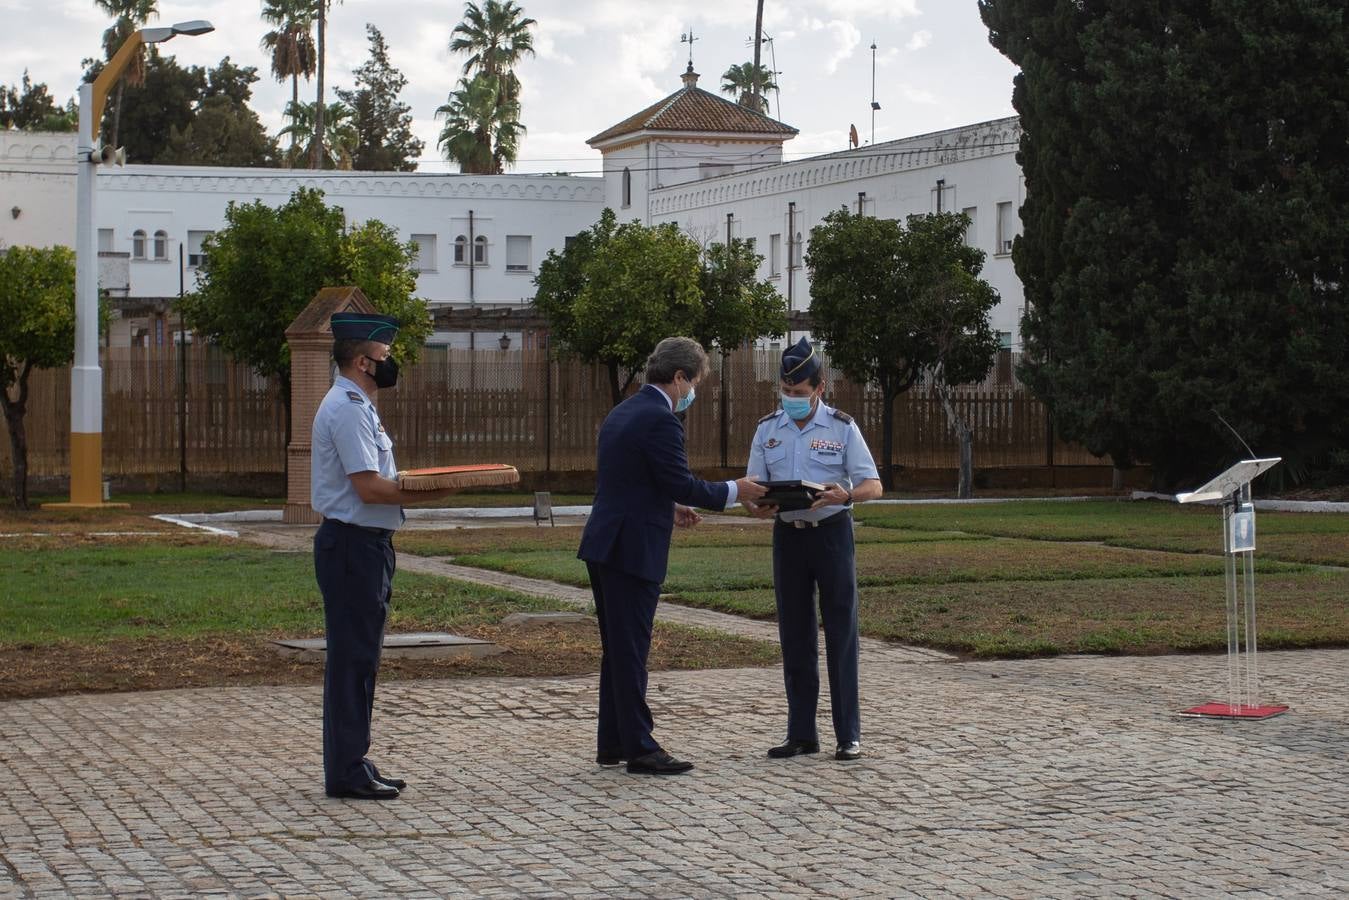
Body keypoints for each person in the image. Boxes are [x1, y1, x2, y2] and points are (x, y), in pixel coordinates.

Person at [578, 336, 768, 775]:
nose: (693, 393)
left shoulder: (623, 411)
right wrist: (735, 490)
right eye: (695, 382)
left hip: (606, 541)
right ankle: (641, 747)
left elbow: (633, 481)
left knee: (618, 648)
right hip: (631, 547)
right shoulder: (661, 420)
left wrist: (668, 506)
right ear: (680, 377)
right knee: (631, 649)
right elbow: (682, 481)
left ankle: (614, 741)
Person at [311, 312, 457, 800]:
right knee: (354, 660)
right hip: (353, 545)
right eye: (385, 358)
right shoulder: (348, 408)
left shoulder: (357, 404)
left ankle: (354, 758)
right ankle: (346, 770)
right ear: (361, 361)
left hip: (364, 544)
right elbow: (371, 488)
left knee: (361, 659)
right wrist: (432, 492)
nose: (391, 365)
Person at [743, 337, 883, 762]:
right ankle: (801, 733)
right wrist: (757, 506)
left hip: (831, 534)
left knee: (841, 633)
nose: (791, 400)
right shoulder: (768, 428)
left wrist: (846, 495)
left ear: (819, 387)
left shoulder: (842, 427)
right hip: (788, 535)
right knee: (794, 635)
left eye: (799, 394)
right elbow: (753, 490)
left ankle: (848, 734)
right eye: (785, 393)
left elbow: (873, 484)